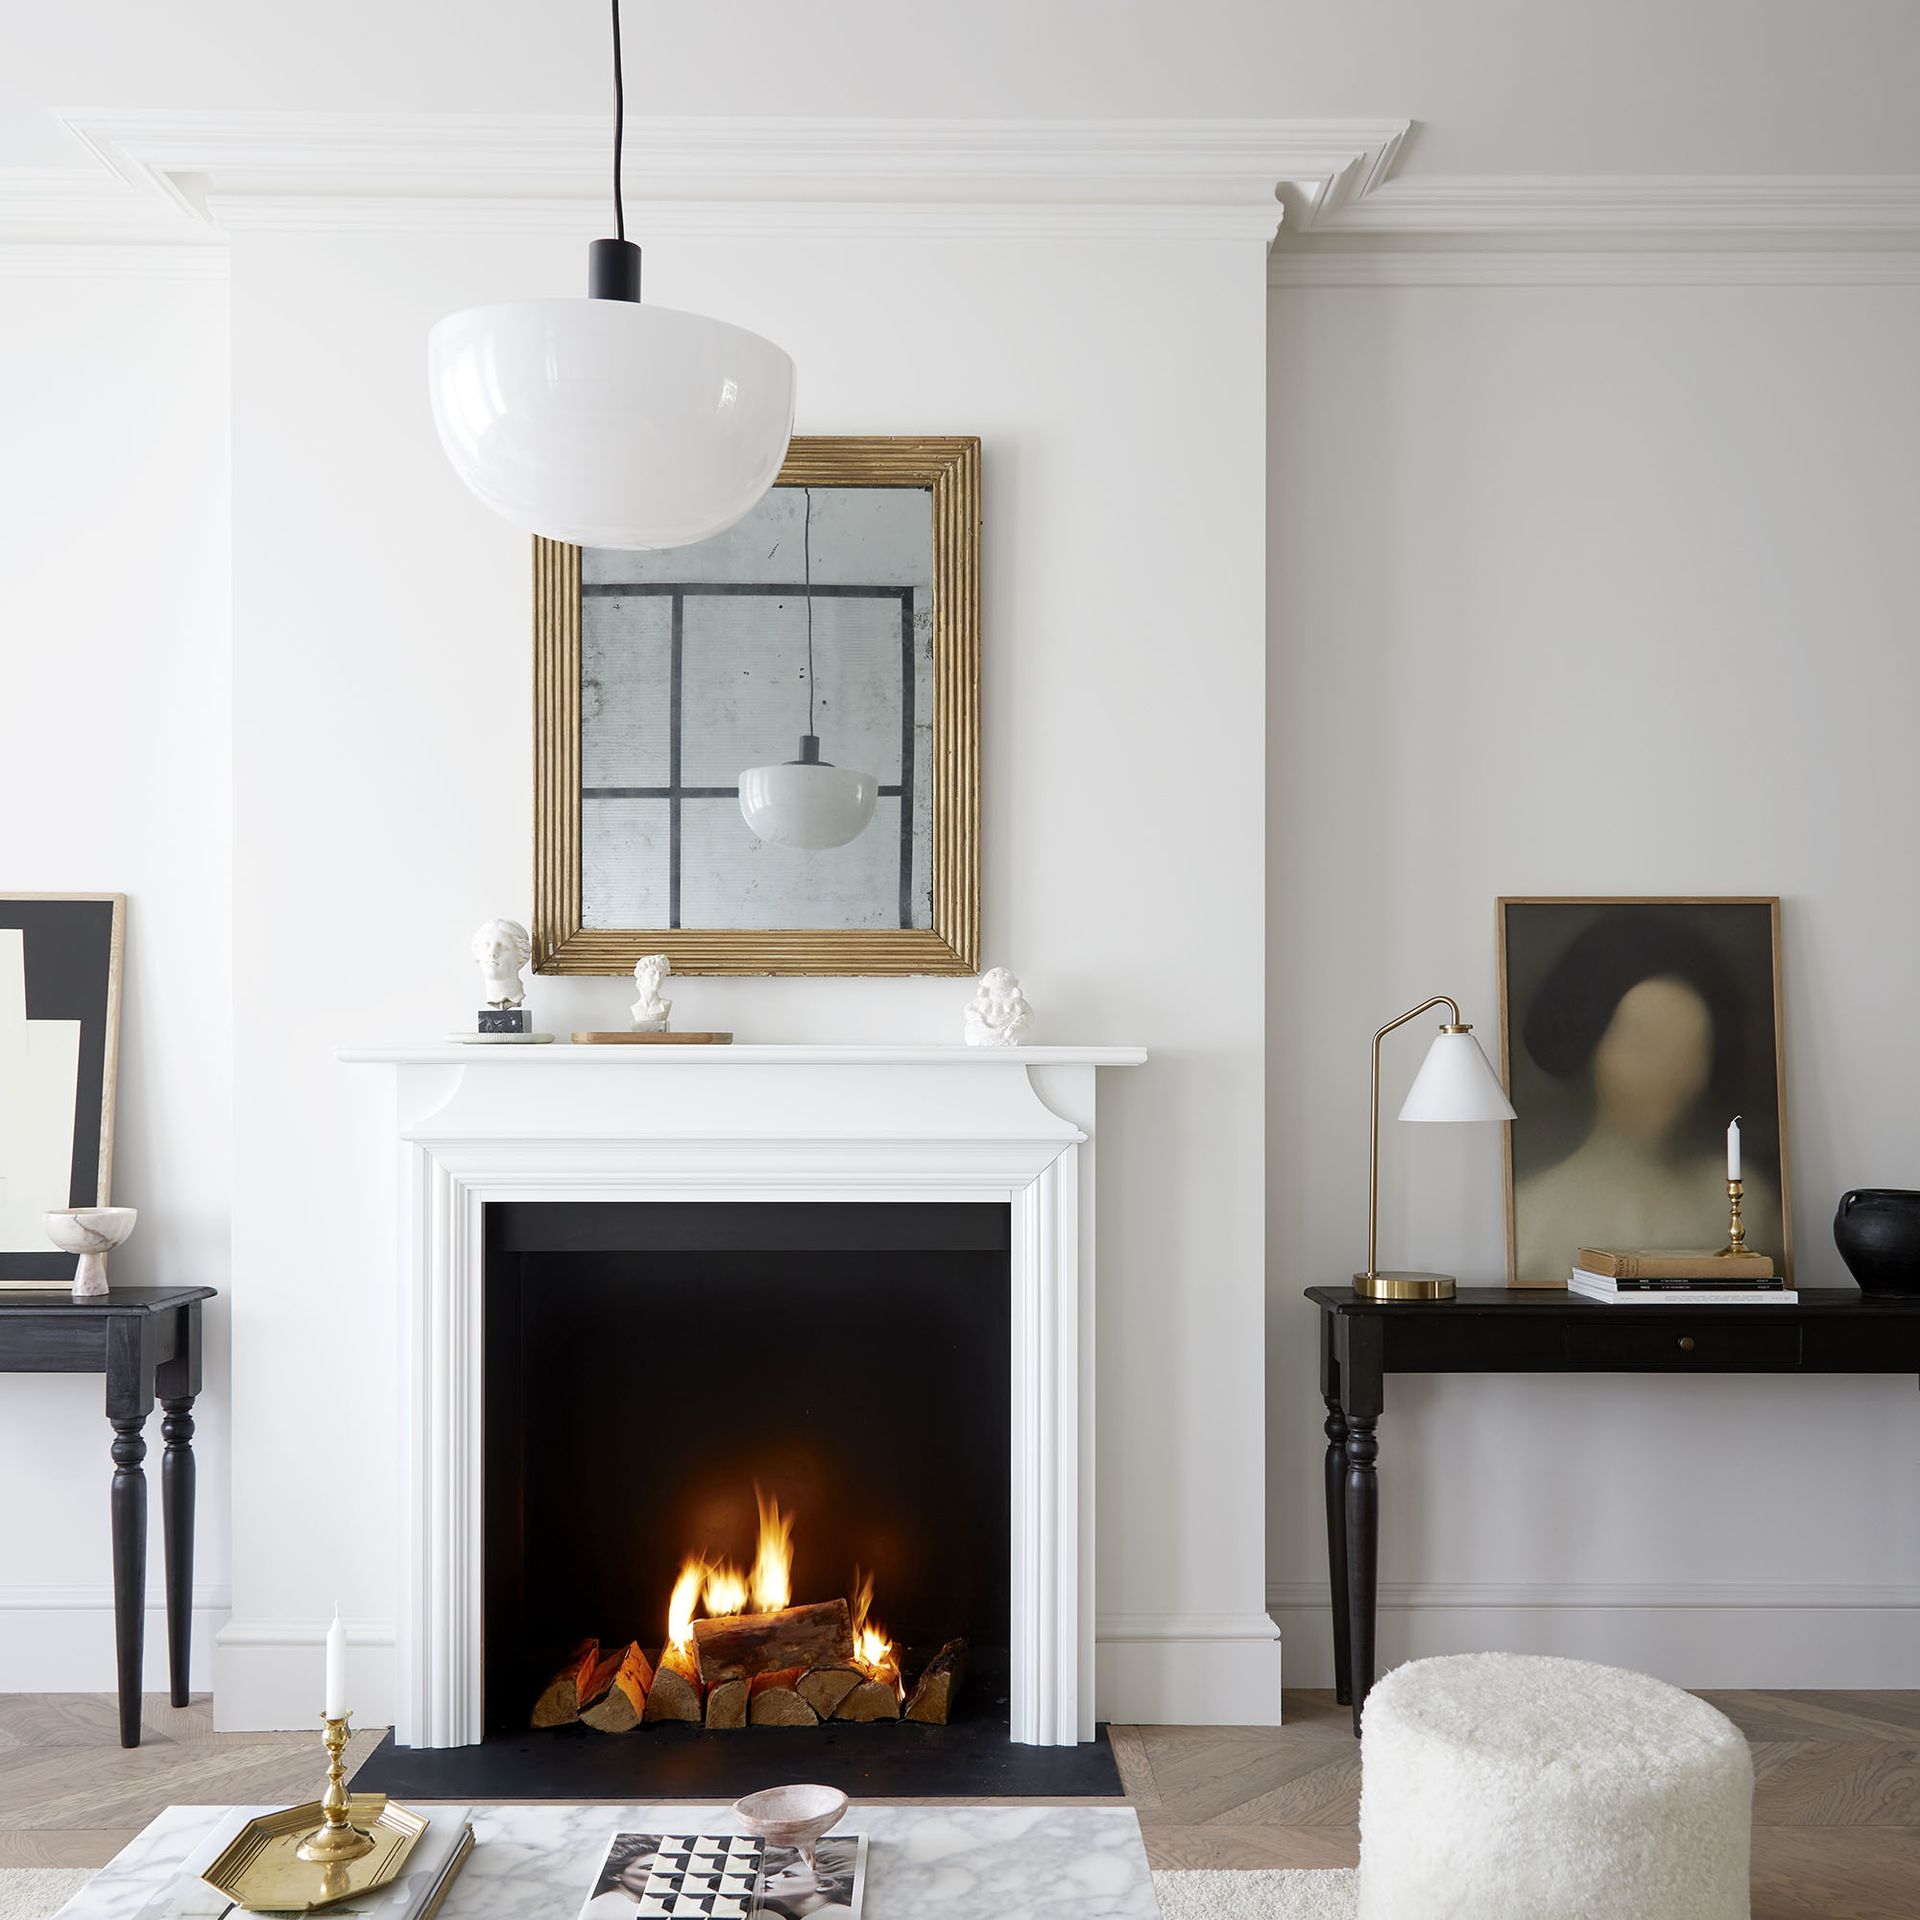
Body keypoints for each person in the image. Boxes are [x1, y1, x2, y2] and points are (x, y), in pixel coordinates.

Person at [1514, 911, 1779, 1281]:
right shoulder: (1532, 1215)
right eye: (1642, 1045)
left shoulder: (1750, 1204)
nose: (1665, 1073)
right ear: (1593, 1052)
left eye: (1688, 1049)